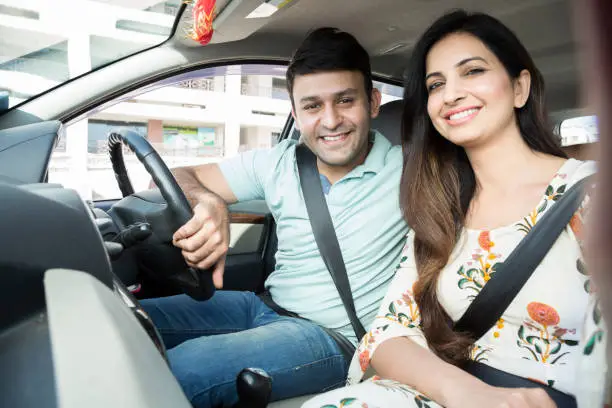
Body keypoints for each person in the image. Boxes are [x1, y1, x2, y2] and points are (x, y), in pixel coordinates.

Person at [304, 10, 597, 408]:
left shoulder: (592, 193)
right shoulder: (441, 208)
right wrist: (466, 394)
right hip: (449, 388)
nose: (450, 94)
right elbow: (388, 331)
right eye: (436, 84)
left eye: (473, 71)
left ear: (519, 88)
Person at [140, 27, 409, 408]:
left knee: (183, 369)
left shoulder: (411, 173)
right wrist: (211, 202)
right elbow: (182, 175)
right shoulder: (279, 161)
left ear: (374, 102)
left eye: (345, 100)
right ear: (296, 113)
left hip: (333, 337)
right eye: (313, 106)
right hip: (262, 305)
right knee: (128, 321)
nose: (331, 120)